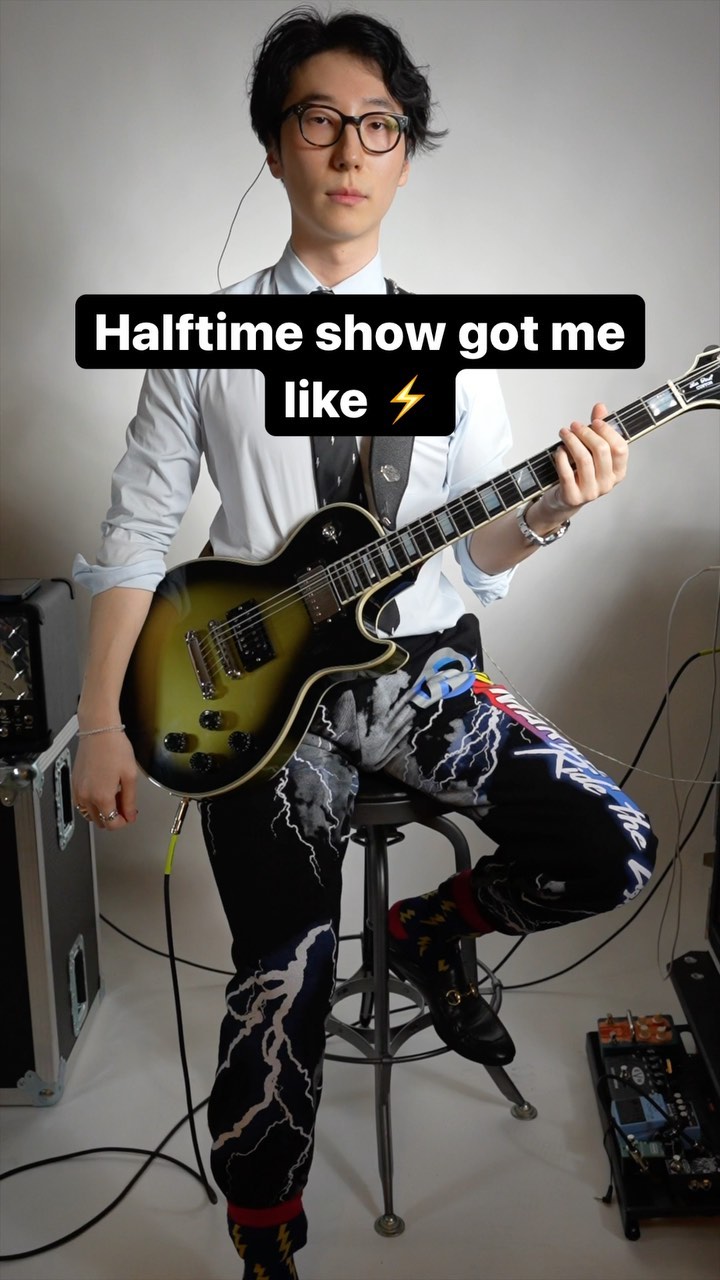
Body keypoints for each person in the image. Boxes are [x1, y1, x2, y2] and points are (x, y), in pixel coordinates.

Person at [72, 8, 657, 1278]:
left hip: (421, 675)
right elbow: (132, 541)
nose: (349, 149)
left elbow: (473, 557)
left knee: (618, 844)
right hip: (260, 701)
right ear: (274, 145)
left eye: (379, 126)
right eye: (320, 120)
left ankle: (433, 930)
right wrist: (105, 718)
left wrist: (549, 510)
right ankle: (265, 1236)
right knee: (282, 968)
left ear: (404, 154)